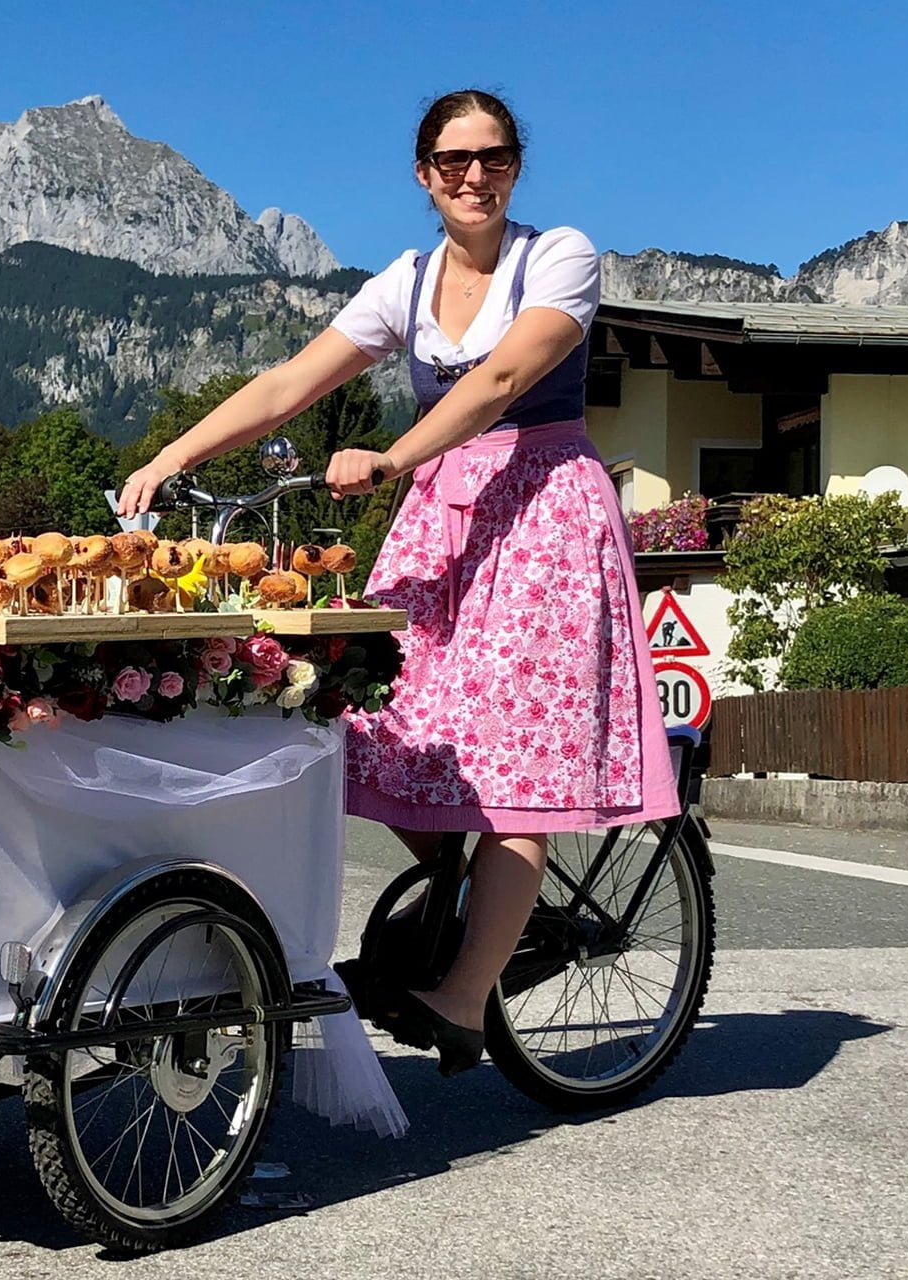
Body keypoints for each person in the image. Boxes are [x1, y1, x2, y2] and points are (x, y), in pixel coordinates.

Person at [116, 89, 678, 1076]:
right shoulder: (408, 283)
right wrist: (171, 454)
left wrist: (394, 455)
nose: (475, 175)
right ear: (423, 175)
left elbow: (502, 380)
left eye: (493, 156)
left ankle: (463, 997)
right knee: (382, 730)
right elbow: (292, 382)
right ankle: (476, 896)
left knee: (517, 766)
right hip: (446, 514)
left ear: (514, 165)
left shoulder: (559, 256)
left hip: (543, 511)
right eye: (454, 159)